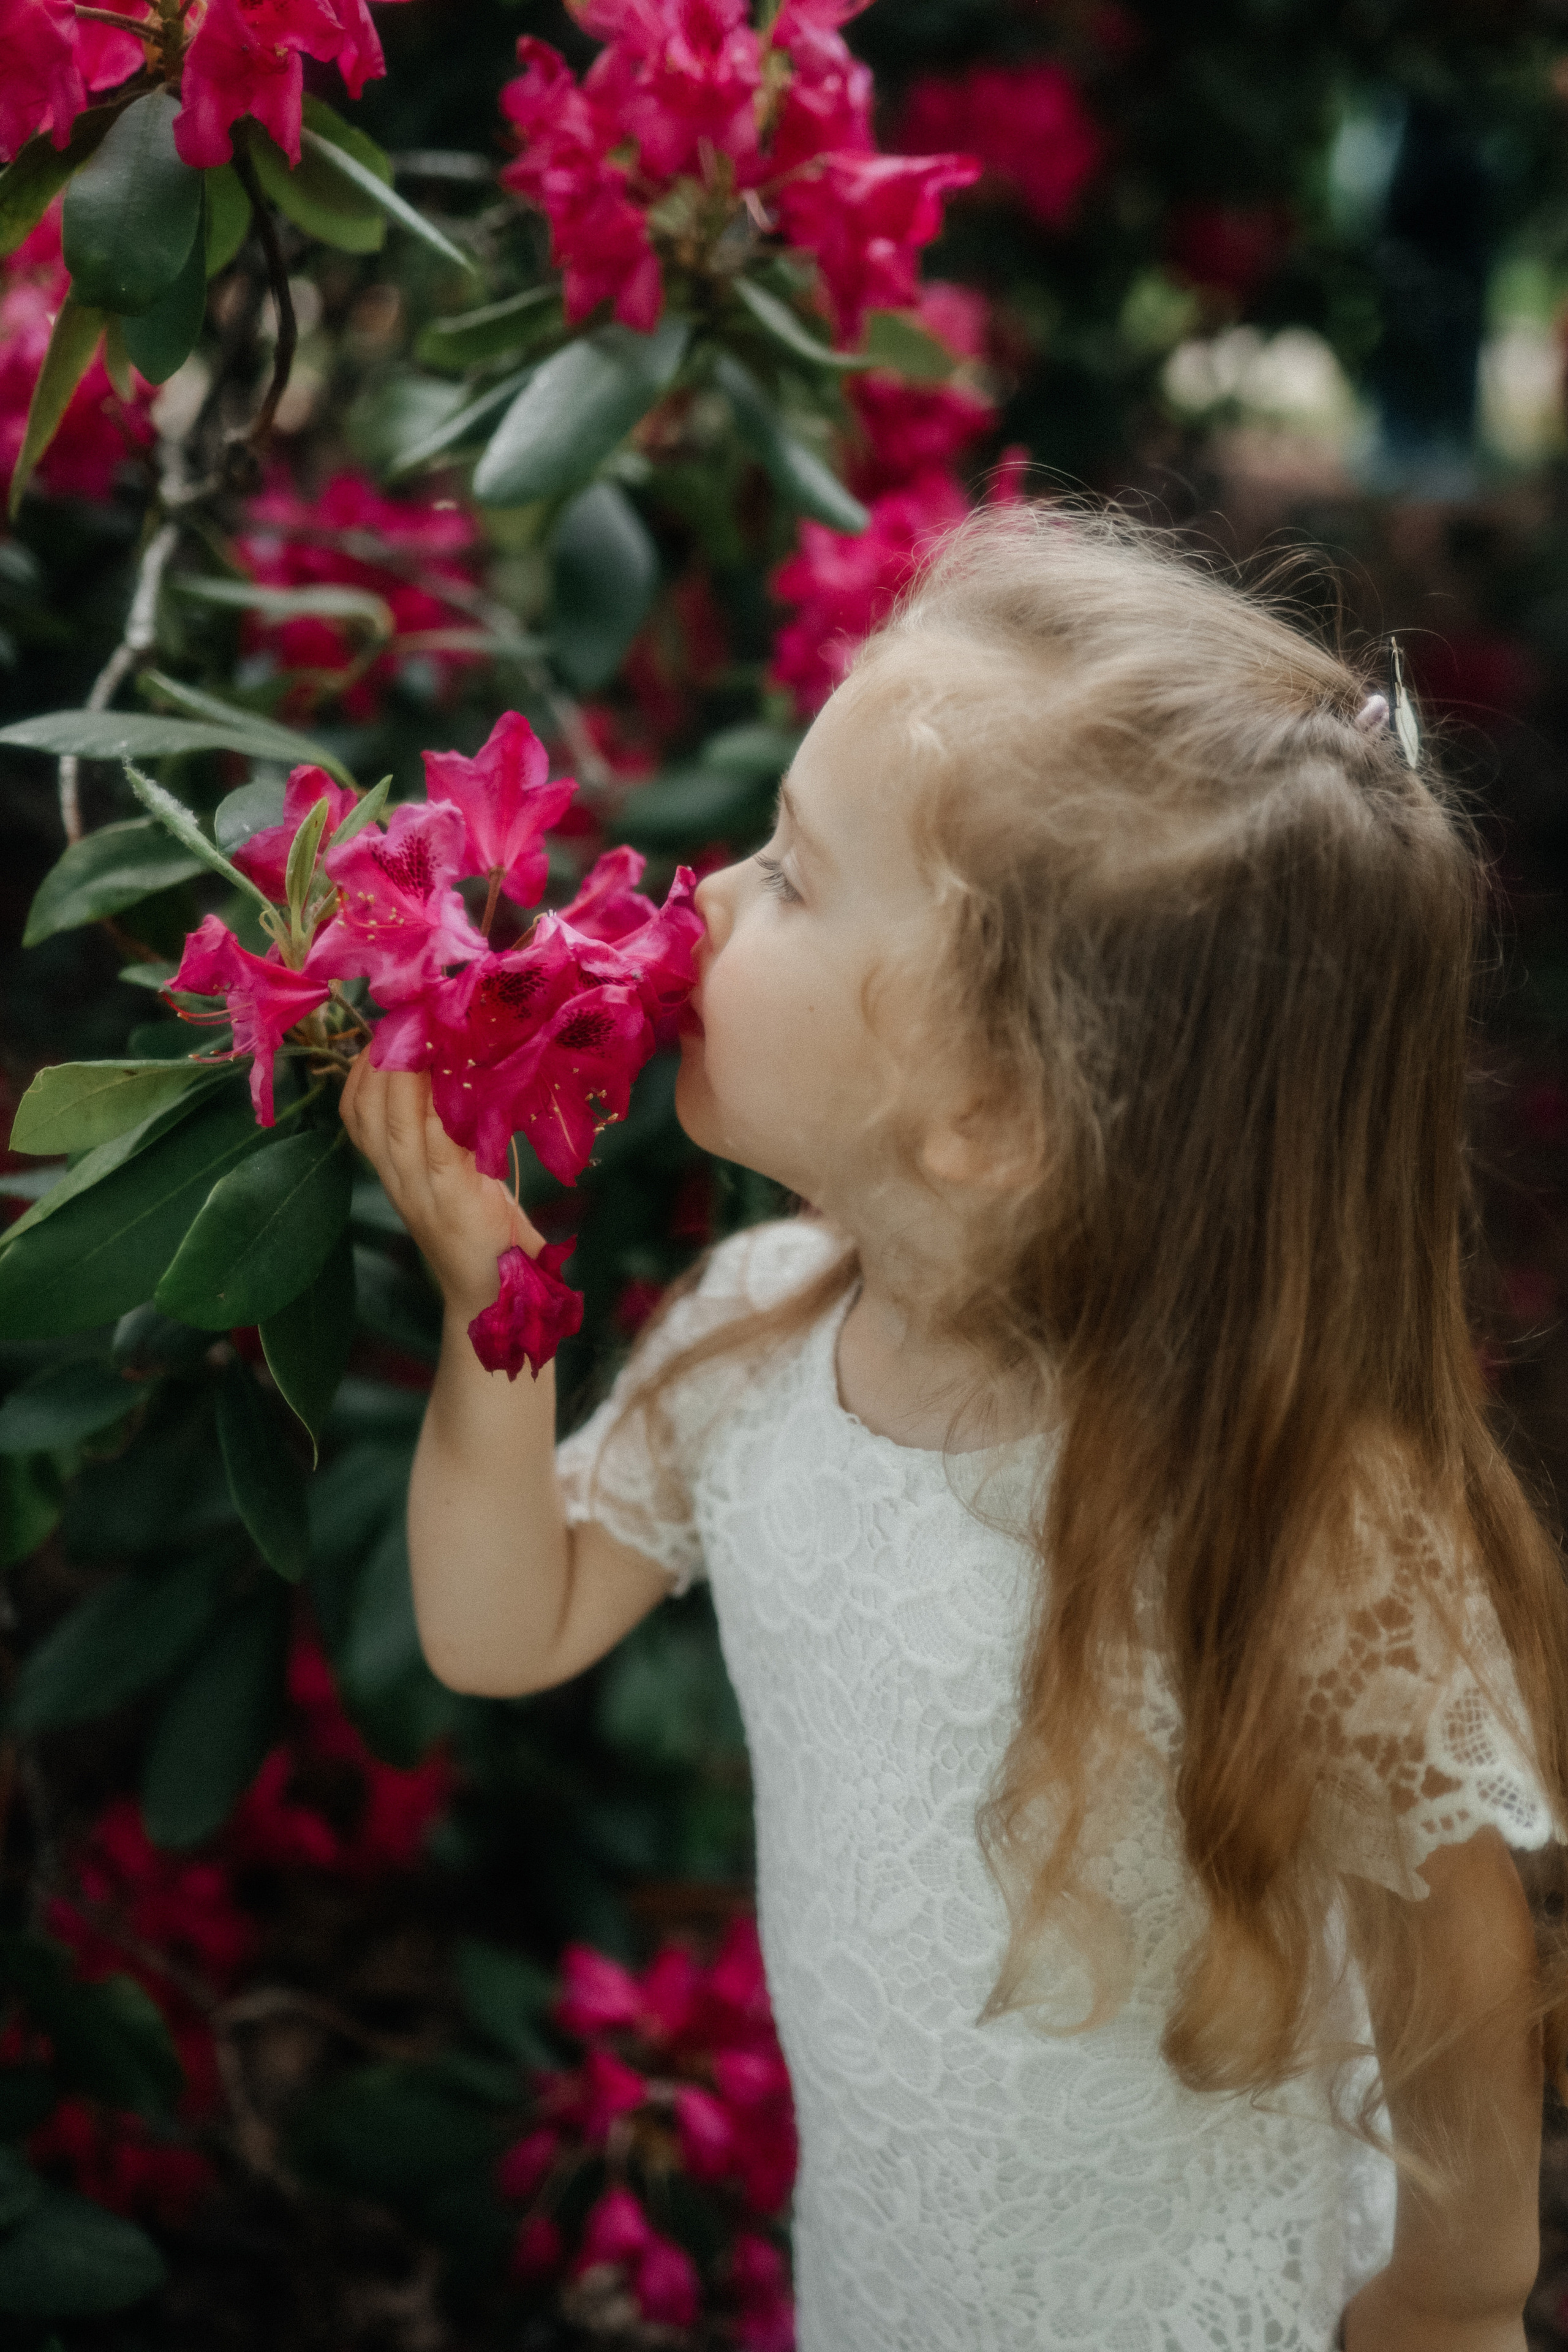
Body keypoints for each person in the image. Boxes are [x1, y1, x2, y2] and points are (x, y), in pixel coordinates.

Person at [340, 505, 1568, 2352]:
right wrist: (488, 1313)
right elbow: (501, 1625)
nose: (710, 894)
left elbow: (1450, 1953)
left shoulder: (1278, 1501)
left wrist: (1451, 2305)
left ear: (988, 1109)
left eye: (795, 874)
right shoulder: (757, 1334)